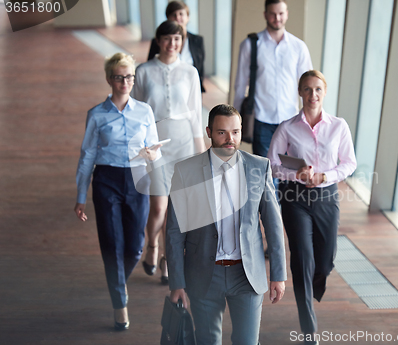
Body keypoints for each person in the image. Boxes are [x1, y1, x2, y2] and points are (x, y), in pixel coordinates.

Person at [165, 104, 287, 345]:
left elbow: (273, 224)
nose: (230, 139)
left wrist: (278, 274)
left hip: (247, 274)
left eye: (235, 132)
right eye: (222, 132)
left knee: (247, 342)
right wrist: (176, 282)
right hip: (203, 274)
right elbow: (174, 232)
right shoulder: (185, 171)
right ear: (209, 132)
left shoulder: (258, 167)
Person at [267, 70, 357, 344]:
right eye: (307, 89)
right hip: (295, 200)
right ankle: (309, 330)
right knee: (302, 259)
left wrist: (324, 176)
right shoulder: (287, 127)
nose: (312, 95)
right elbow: (272, 164)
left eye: (317, 89)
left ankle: (317, 280)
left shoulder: (338, 126)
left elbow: (349, 163)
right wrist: (298, 174)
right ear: (300, 93)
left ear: (325, 92)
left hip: (327, 198)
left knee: (325, 260)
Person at [74, 52, 161, 330]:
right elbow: (87, 155)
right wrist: (80, 196)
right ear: (109, 79)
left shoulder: (145, 111)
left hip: (138, 180)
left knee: (135, 246)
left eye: (130, 77)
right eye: (119, 77)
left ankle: (118, 278)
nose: (125, 82)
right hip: (107, 181)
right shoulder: (96, 115)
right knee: (112, 245)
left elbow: (156, 151)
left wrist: (151, 155)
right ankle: (120, 302)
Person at [132, 20, 205, 285]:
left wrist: (201, 153)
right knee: (159, 208)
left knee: (176, 211)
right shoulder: (143, 71)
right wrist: (139, 149)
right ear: (158, 40)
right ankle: (151, 243)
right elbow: (136, 113)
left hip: (184, 143)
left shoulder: (190, 72)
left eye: (178, 39)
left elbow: (196, 114)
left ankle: (166, 259)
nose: (173, 44)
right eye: (168, 38)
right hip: (155, 145)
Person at [233, 0, 312, 158]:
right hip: (261, 120)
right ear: (265, 15)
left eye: (281, 13)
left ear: (287, 14)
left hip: (291, 120)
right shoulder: (250, 45)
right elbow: (240, 85)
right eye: (273, 14)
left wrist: (310, 118)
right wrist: (235, 121)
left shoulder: (299, 47)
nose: (277, 18)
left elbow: (308, 85)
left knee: (289, 173)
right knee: (267, 173)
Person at [147, 0, 206, 92]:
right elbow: (150, 67)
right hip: (164, 88)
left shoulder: (198, 40)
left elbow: (200, 69)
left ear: (188, 17)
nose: (177, 17)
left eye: (181, 14)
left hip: (191, 87)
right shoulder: (158, 41)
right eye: (174, 14)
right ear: (168, 18)